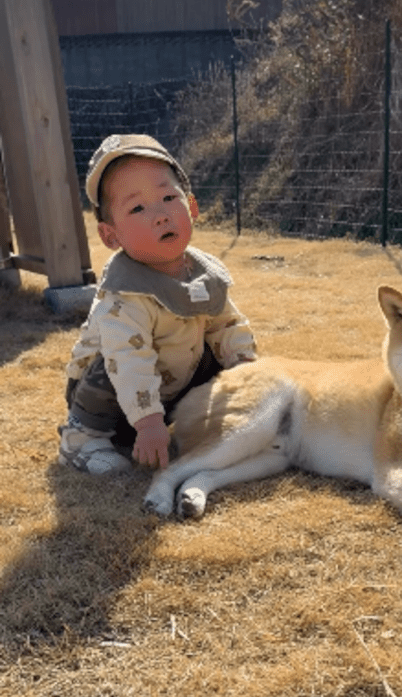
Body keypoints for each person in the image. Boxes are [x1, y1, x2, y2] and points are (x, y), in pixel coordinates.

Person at [59, 133, 257, 476]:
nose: (161, 215)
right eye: (137, 208)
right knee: (111, 362)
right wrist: (149, 424)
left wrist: (247, 370)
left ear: (192, 207)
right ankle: (81, 440)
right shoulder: (125, 292)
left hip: (170, 388)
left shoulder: (201, 275)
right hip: (111, 400)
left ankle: (206, 420)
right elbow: (129, 359)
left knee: (214, 350)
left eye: (168, 197)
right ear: (111, 236)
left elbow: (227, 325)